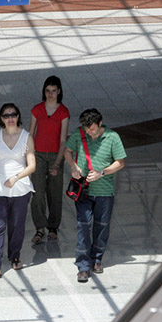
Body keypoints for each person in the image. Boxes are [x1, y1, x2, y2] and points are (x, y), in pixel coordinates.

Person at [64, 108, 126, 283]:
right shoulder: (79, 134)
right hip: (83, 190)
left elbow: (120, 163)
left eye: (91, 128)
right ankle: (83, 266)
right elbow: (67, 151)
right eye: (86, 129)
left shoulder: (112, 137)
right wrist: (73, 166)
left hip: (104, 191)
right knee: (83, 226)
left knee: (102, 225)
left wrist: (102, 173)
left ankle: (97, 258)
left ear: (100, 124)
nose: (88, 132)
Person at [0, 103, 36, 278]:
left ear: (18, 116)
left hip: (19, 185)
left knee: (17, 224)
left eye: (13, 114)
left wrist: (16, 177)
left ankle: (15, 256)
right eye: (6, 116)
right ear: (1, 119)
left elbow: (32, 165)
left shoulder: (26, 137)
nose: (10, 118)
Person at [29, 76, 70, 244]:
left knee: (54, 193)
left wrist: (58, 163)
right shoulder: (37, 110)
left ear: (59, 91)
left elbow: (63, 140)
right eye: (48, 91)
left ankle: (53, 226)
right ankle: (40, 227)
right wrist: (29, 156)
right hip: (38, 154)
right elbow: (30, 134)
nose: (50, 94)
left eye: (54, 91)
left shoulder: (63, 112)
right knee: (37, 193)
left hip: (55, 155)